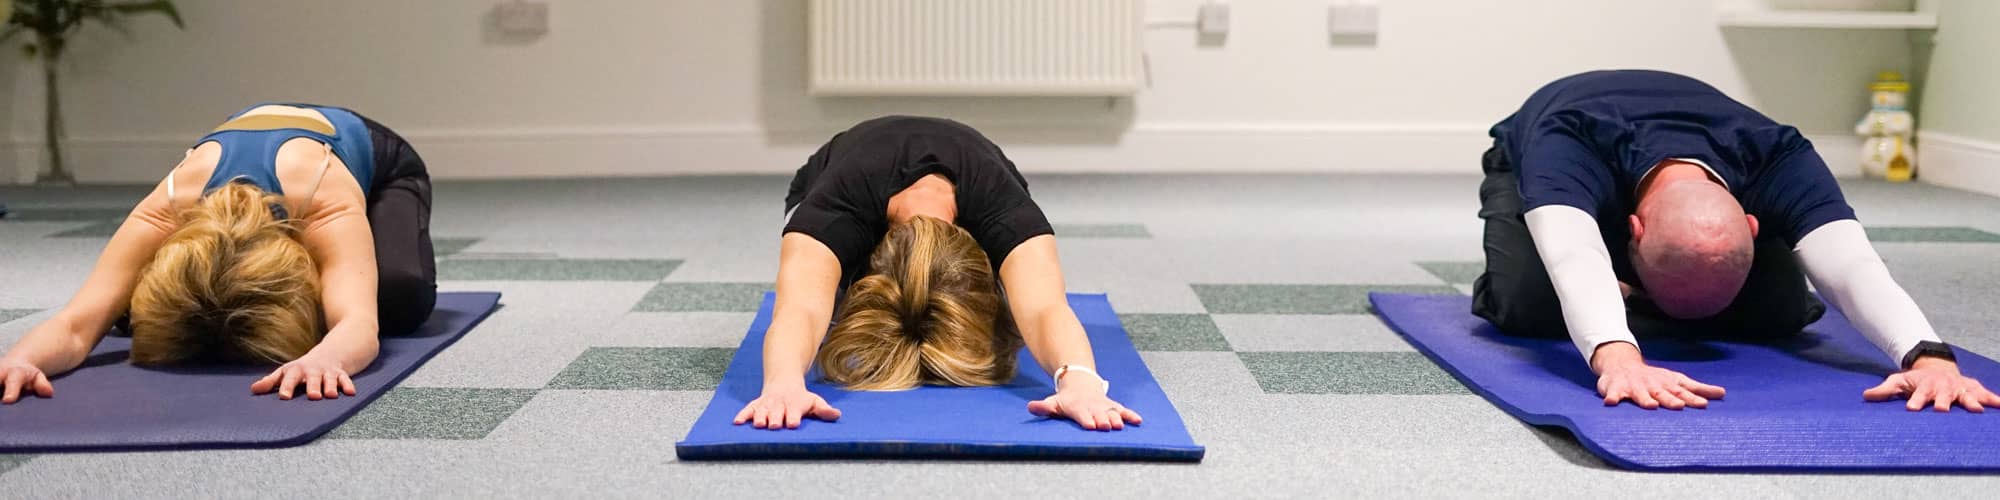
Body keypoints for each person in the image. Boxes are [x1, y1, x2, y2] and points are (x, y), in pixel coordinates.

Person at [1474, 70, 2000, 412]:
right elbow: (1573, 250)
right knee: (1529, 302)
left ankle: (1639, 294)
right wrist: (1619, 359)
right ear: (1628, 234)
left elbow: (1852, 263)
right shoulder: (1566, 143)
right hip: (1549, 155)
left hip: (1678, 207)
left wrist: (1929, 359)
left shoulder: (1778, 156)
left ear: (1753, 223)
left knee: (1784, 310)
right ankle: (1634, 298)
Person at [0, 103, 436, 404]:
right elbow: (75, 326)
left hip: (382, 164)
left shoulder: (324, 200)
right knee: (134, 310)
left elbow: (358, 322)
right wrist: (19, 360)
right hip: (253, 149)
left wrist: (326, 356)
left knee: (398, 296)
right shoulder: (166, 208)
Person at [734, 115, 1142, 431]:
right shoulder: (835, 207)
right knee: (829, 302)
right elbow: (801, 308)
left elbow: (1044, 308)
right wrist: (784, 383)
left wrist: (1081, 382)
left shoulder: (1003, 210)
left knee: (1006, 299)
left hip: (979, 170)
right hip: (831, 174)